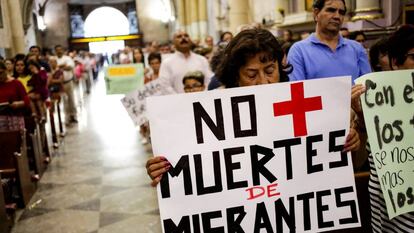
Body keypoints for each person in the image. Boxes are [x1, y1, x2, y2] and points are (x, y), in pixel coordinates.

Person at [146, 28, 360, 186]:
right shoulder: (213, 109)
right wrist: (163, 169)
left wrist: (349, 143)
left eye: (269, 70)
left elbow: (340, 162)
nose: (264, 81)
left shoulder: (301, 104)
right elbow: (191, 162)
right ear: (235, 76)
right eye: (251, 74)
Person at [352, 24, 414, 233]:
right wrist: (361, 117)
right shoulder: (378, 101)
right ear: (396, 63)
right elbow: (359, 161)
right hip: (392, 212)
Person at [287, 0, 371, 83]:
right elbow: (297, 92)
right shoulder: (299, 51)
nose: (337, 16)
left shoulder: (357, 49)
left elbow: (367, 88)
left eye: (341, 12)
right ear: (316, 14)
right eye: (331, 10)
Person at [55, 45, 78, 125]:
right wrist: (62, 66)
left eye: (60, 49)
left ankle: (73, 116)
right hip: (60, 84)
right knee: (64, 101)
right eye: (57, 50)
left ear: (63, 50)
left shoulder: (67, 58)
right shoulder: (54, 59)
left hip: (68, 82)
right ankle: (67, 118)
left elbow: (69, 67)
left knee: (71, 99)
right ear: (55, 51)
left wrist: (59, 67)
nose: (59, 51)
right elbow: (54, 69)